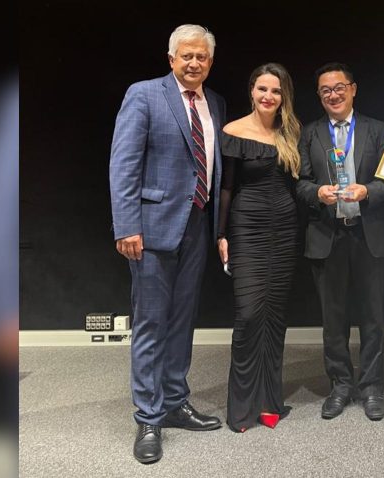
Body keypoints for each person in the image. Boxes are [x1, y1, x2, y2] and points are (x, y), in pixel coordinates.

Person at [108, 24, 224, 464]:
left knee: (182, 321)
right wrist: (126, 225)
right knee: (151, 324)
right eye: (186, 56)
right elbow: (123, 163)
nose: (193, 63)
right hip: (152, 228)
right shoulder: (144, 94)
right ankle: (148, 416)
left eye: (202, 57)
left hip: (197, 225)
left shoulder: (214, 102)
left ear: (210, 62)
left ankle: (175, 401)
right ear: (171, 58)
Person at [296, 63, 384, 421]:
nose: (333, 95)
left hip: (368, 233)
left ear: (353, 89)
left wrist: (368, 189)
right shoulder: (310, 133)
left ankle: (371, 387)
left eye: (339, 87)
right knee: (333, 318)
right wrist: (316, 192)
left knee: (373, 316)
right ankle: (340, 385)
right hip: (328, 234)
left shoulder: (377, 130)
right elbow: (300, 181)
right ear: (320, 96)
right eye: (325, 90)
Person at [217, 62, 301, 433]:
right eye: (263, 89)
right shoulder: (233, 131)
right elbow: (225, 188)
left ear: (284, 96)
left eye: (276, 91)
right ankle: (241, 407)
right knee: (249, 313)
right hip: (246, 228)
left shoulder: (290, 133)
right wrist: (221, 235)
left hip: (284, 228)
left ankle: (269, 401)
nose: (269, 96)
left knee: (274, 316)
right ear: (251, 90)